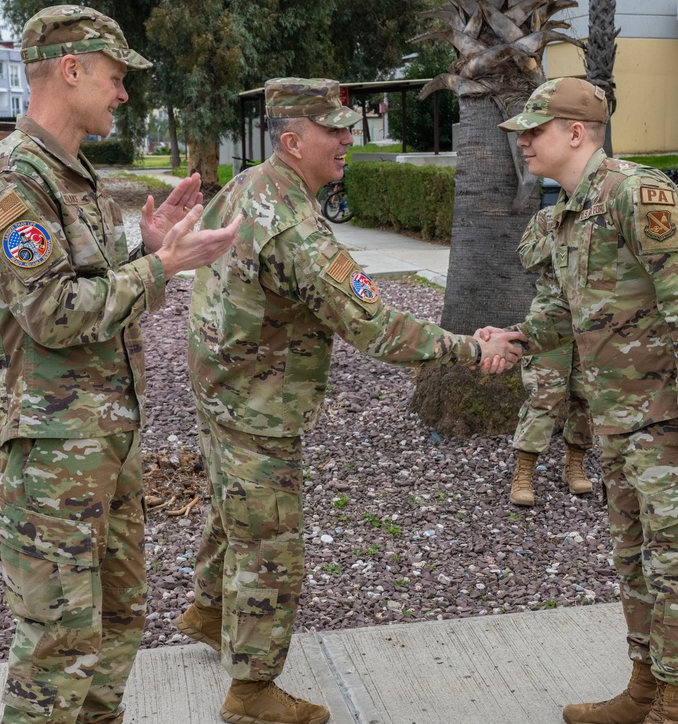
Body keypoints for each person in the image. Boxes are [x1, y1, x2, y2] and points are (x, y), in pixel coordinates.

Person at [178, 77, 523, 724]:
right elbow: (378, 328)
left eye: (348, 125)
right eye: (333, 129)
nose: (347, 138)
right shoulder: (296, 231)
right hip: (257, 403)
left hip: (221, 386)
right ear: (292, 141)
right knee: (271, 544)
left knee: (236, 509)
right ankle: (251, 691)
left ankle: (208, 612)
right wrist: (473, 352)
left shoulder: (251, 184)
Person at [0, 4, 241, 724]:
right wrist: (165, 268)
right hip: (53, 453)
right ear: (72, 70)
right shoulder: (10, 180)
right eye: (115, 78)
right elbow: (52, 313)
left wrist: (146, 246)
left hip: (105, 439)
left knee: (116, 624)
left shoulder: (70, 173)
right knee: (58, 644)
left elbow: (88, 289)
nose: (122, 93)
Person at [497, 77, 678, 724]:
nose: (524, 145)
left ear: (576, 132)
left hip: (668, 419)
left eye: (534, 131)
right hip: (618, 422)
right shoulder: (561, 218)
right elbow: (555, 313)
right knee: (633, 557)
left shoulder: (635, 193)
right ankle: (641, 690)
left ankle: (673, 708)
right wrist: (508, 339)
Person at [509, 205, 593, 506]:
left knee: (587, 395)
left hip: (594, 319)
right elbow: (527, 257)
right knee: (545, 395)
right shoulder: (548, 216)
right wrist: (561, 235)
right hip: (550, 318)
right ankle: (524, 473)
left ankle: (575, 466)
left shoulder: (605, 213)